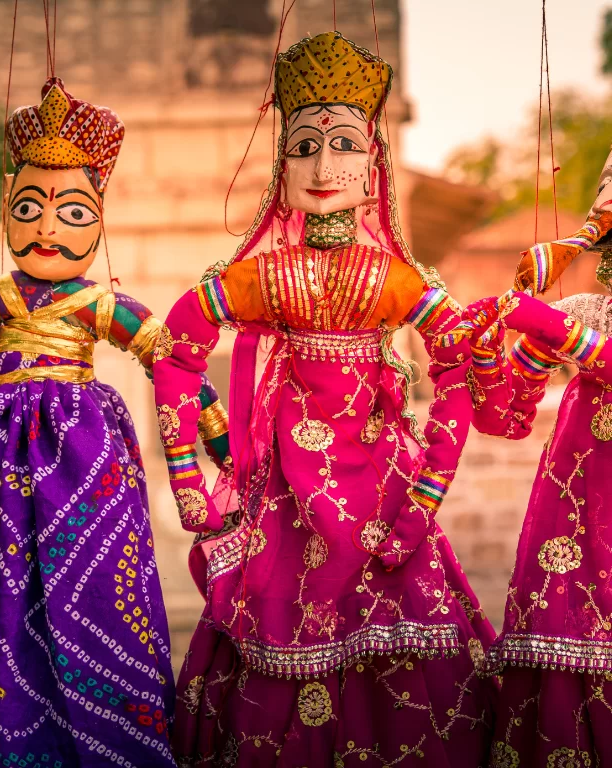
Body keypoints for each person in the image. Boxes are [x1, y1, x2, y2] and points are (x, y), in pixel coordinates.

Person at [154, 32, 497, 765]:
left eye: (343, 143)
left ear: (374, 162)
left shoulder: (398, 282)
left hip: (385, 498)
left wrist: (426, 493)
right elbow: (176, 351)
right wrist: (195, 474)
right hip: (280, 494)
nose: (322, 165)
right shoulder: (259, 278)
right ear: (281, 168)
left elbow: (459, 368)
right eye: (303, 147)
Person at [0, 78, 227, 767]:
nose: (47, 228)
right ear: (7, 209)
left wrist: (215, 430)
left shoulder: (100, 301)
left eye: (71, 210)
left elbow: (169, 359)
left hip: (86, 456)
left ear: (99, 218)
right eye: (29, 207)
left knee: (94, 590)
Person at [461, 154, 612, 766]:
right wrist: (481, 349)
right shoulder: (580, 313)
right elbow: (506, 418)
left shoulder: (571, 322)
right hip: (573, 516)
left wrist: (540, 320)